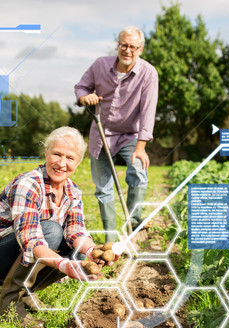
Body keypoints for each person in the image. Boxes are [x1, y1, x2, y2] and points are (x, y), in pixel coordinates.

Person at [0, 127, 104, 328]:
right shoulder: (29, 184)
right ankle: (9, 303)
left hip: (19, 252)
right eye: (57, 154)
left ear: (78, 161)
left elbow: (76, 231)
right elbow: (30, 239)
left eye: (70, 158)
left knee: (77, 251)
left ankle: (25, 292)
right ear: (46, 152)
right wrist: (64, 266)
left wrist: (94, 252)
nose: (62, 163)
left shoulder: (73, 191)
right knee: (51, 231)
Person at [75, 26, 158, 241]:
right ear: (117, 45)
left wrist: (141, 147)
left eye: (132, 46)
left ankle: (133, 224)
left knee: (138, 172)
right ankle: (110, 240)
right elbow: (81, 87)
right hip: (101, 134)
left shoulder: (148, 73)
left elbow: (148, 111)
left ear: (140, 49)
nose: (127, 50)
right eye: (123, 45)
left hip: (130, 135)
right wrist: (85, 98)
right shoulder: (100, 65)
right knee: (103, 189)